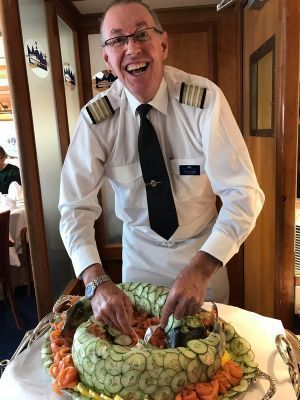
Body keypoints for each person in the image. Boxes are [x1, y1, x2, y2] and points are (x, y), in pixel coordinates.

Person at [59, 0, 264, 334]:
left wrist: (201, 268)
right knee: (141, 359)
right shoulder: (97, 121)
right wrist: (95, 281)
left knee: (208, 360)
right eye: (117, 40)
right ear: (107, 58)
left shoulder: (204, 101)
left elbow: (244, 195)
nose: (132, 48)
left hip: (203, 254)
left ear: (163, 44)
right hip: (139, 259)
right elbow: (73, 208)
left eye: (142, 34)